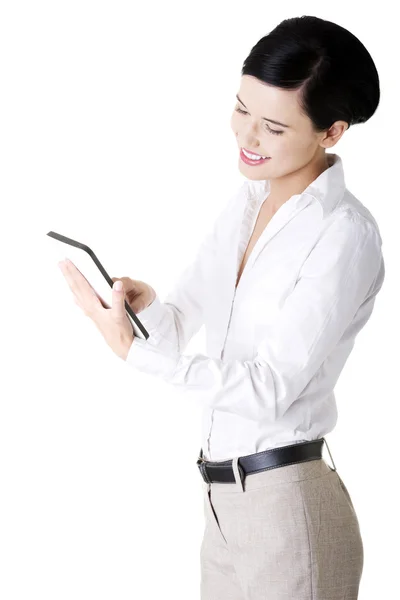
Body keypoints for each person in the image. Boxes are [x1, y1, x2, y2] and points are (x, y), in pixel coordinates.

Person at [61, 14, 385, 600]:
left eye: (272, 126)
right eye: (241, 109)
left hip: (287, 505)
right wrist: (142, 311)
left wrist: (136, 356)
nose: (246, 137)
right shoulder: (246, 204)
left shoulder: (345, 236)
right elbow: (181, 323)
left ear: (331, 132)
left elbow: (268, 389)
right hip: (219, 500)